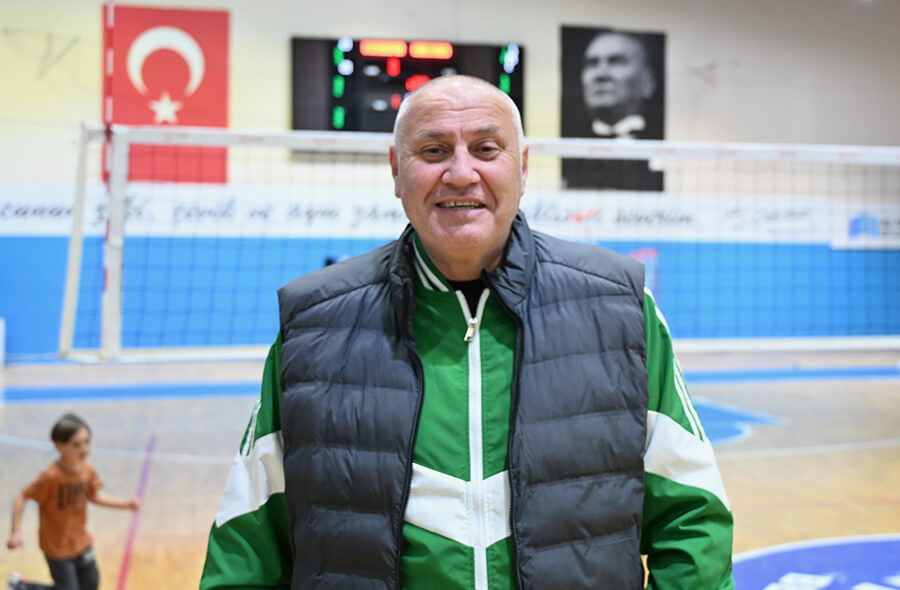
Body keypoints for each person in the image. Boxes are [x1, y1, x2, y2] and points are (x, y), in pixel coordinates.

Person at [200, 74, 733, 589]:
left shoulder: (619, 308)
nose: (460, 173)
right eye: (433, 151)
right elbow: (247, 550)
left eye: (486, 149)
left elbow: (692, 517)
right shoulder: (314, 325)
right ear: (396, 170)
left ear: (523, 167)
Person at [6, 413, 140, 590]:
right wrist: (15, 532)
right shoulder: (51, 477)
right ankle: (22, 586)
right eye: (76, 445)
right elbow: (22, 496)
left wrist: (125, 504)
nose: (84, 449)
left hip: (81, 542)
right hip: (57, 548)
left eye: (87, 442)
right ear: (59, 446)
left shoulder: (87, 470)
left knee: (91, 585)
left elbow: (94, 496)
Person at [562, 27, 665, 191]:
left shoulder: (662, 150)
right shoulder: (567, 151)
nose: (601, 74)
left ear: (648, 81)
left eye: (616, 61)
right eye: (592, 63)